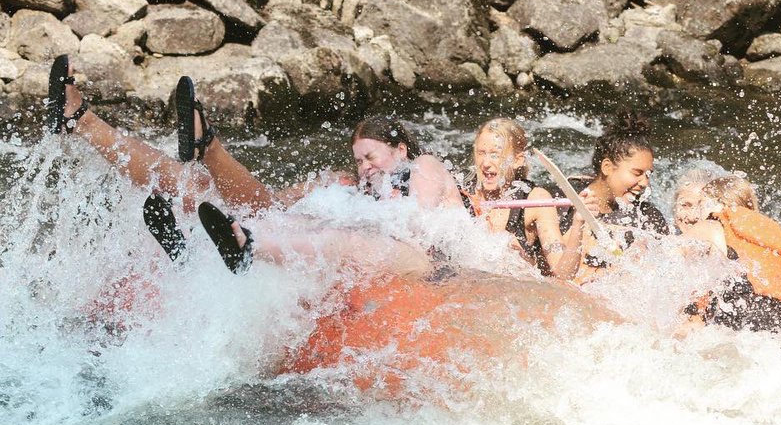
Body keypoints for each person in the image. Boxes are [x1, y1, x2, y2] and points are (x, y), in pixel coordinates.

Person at [46, 56, 460, 215]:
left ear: (400, 150)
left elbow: (418, 222)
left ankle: (209, 147)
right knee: (203, 188)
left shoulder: (421, 166)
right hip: (294, 229)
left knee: (238, 204)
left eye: (371, 157)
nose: (364, 167)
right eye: (358, 158)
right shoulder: (348, 185)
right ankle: (82, 121)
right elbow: (274, 203)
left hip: (373, 257)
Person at [681, 173, 781, 367]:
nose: (695, 215)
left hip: (746, 326)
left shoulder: (711, 226)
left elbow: (667, 255)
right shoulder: (773, 243)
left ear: (718, 205)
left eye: (701, 204)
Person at [463, 118, 578, 277]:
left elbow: (564, 273)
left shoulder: (535, 201)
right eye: (481, 153)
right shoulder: (461, 193)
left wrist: (579, 223)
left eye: (495, 155)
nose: (485, 163)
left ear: (517, 160)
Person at [565, 113, 669, 283]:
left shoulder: (649, 217)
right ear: (607, 167)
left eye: (649, 175)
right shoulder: (566, 206)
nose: (644, 183)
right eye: (637, 173)